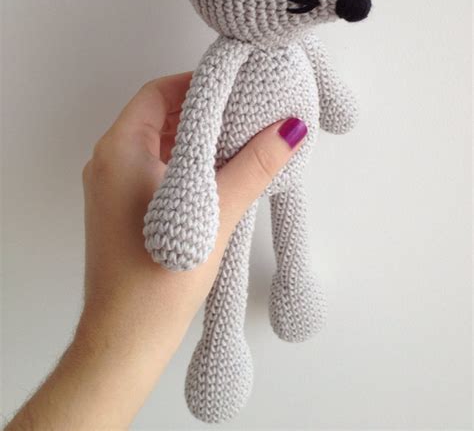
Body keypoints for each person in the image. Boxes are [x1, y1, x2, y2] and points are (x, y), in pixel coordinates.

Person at [5, 72, 307, 430]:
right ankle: (221, 345)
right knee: (233, 258)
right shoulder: (226, 64)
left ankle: (297, 280)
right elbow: (198, 126)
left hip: (281, 171)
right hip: (234, 171)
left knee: (289, 227)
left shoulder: (291, 60)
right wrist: (185, 194)